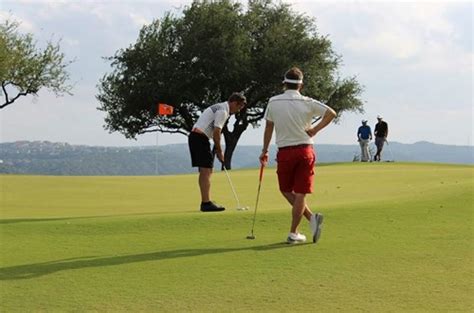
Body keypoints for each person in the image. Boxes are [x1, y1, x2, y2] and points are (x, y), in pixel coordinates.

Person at [259, 67, 336, 244]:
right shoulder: (307, 102)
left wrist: (264, 151)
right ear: (301, 85)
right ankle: (312, 219)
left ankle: (294, 232)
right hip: (305, 151)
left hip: (285, 151)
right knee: (299, 193)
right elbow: (331, 113)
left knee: (287, 190)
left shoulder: (273, 101)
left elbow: (269, 127)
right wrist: (315, 130)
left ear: (284, 84)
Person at [188, 92, 247, 212]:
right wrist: (220, 151)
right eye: (239, 107)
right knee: (206, 170)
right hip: (200, 138)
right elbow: (216, 132)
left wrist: (217, 148)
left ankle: (206, 201)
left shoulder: (220, 107)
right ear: (234, 103)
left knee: (206, 170)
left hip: (197, 137)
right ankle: (206, 203)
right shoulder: (223, 111)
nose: (238, 110)